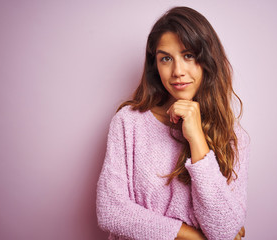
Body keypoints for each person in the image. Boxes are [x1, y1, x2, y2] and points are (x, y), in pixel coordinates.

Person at [96, 6, 249, 240]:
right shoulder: (129, 123)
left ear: (207, 59)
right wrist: (192, 236)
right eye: (166, 58)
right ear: (155, 66)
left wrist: (197, 137)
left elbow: (225, 232)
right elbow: (110, 211)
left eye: (188, 55)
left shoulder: (232, 136)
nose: (178, 71)